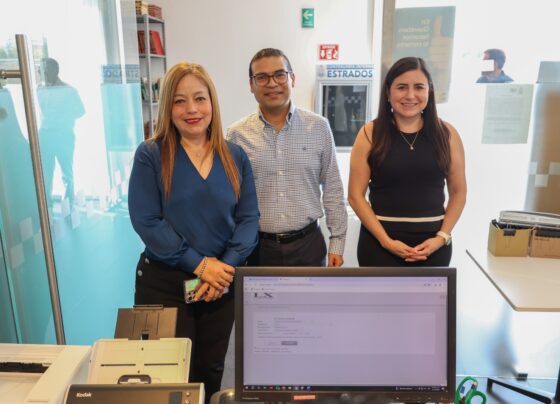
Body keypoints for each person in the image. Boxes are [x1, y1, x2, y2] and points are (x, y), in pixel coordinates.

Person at [128, 62, 259, 402]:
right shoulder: (151, 155)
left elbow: (248, 219)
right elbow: (147, 221)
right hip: (165, 282)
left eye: (200, 99)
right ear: (167, 107)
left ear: (212, 103)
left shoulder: (234, 156)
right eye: (180, 101)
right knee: (165, 375)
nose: (192, 110)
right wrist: (201, 265)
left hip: (219, 285)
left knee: (210, 369)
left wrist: (223, 268)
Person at [227, 48, 347, 267]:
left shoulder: (319, 127)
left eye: (279, 75)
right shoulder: (237, 134)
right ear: (251, 85)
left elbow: (333, 188)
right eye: (262, 77)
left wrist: (337, 242)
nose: (272, 83)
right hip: (256, 248)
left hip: (308, 246)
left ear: (292, 78)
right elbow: (230, 197)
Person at [348, 57, 466, 266]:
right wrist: (386, 242)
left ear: (429, 91)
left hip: (433, 247)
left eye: (419, 87)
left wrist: (442, 237)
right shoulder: (369, 134)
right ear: (388, 92)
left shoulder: (447, 134)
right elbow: (355, 196)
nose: (410, 95)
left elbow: (459, 192)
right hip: (379, 245)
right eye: (401, 87)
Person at [37, 57, 85, 207]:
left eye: (45, 70)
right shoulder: (39, 89)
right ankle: (47, 204)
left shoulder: (68, 90)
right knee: (46, 171)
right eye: (40, 71)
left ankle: (69, 204)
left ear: (55, 71)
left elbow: (81, 111)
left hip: (63, 134)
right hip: (45, 135)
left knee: (66, 171)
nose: (42, 74)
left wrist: (63, 117)